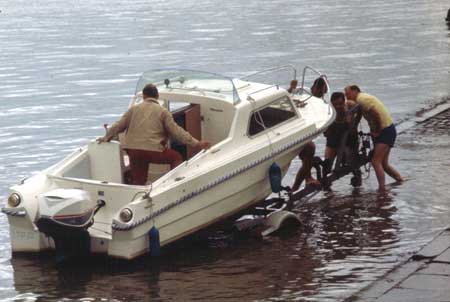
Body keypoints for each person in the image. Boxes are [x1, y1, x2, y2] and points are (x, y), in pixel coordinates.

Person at [97, 83, 210, 185]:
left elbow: (118, 126)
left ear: (144, 97)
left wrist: (106, 137)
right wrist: (197, 143)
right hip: (153, 151)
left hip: (133, 150)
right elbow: (177, 132)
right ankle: (172, 185)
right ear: (157, 96)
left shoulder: (133, 109)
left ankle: (140, 194)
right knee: (176, 158)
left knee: (139, 182)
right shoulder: (163, 111)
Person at [344, 85, 403, 191]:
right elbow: (360, 115)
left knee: (376, 162)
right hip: (389, 128)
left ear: (355, 91)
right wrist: (353, 127)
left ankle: (382, 188)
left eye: (347, 93)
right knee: (384, 164)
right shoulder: (360, 100)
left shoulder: (362, 100)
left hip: (385, 130)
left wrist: (377, 131)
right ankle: (399, 179)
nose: (346, 96)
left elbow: (375, 114)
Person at [323, 92, 358, 170]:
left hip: (349, 139)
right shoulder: (329, 112)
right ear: (332, 104)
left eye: (340, 104)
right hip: (333, 138)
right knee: (327, 164)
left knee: (350, 162)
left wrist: (355, 122)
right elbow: (325, 133)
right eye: (335, 104)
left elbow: (359, 108)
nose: (338, 106)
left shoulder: (350, 105)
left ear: (344, 102)